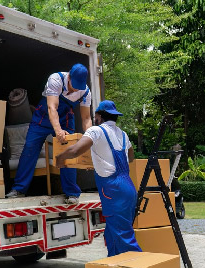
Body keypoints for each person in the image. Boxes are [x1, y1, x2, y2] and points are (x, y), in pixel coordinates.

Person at [55, 100, 142, 257]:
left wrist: (60, 158)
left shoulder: (96, 131)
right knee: (112, 234)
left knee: (124, 238)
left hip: (114, 190)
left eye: (95, 116)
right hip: (128, 187)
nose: (94, 119)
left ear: (100, 116)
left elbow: (75, 150)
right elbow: (130, 157)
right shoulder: (123, 134)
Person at [5, 64, 92, 204]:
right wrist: (58, 131)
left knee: (69, 152)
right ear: (69, 76)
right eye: (73, 85)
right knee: (30, 148)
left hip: (66, 119)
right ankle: (19, 189)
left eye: (78, 87)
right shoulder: (56, 79)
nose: (75, 89)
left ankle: (72, 193)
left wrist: (90, 138)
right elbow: (52, 107)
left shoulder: (86, 92)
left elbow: (86, 118)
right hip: (43, 117)